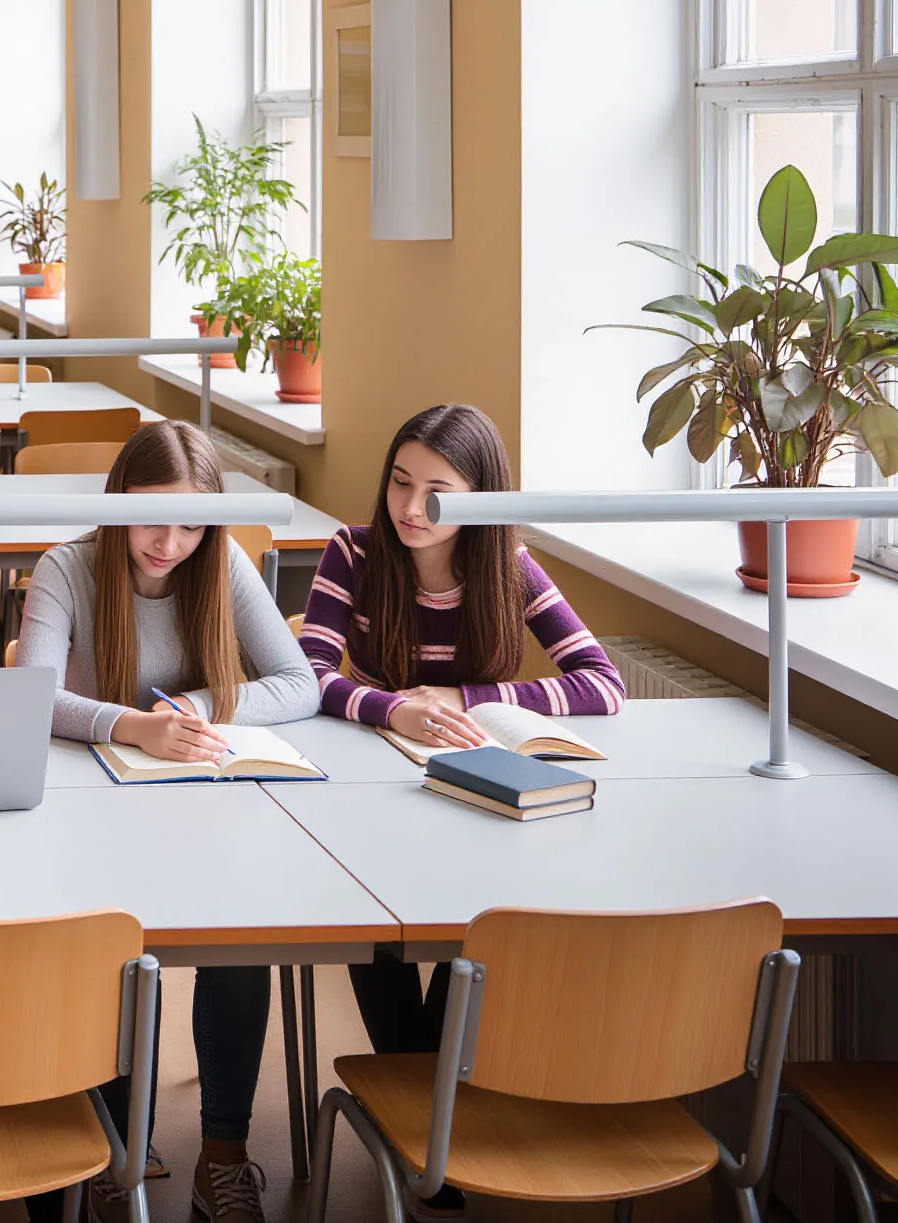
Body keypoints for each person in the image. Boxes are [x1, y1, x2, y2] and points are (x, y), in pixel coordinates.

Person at [302, 400, 623, 1211]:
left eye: (437, 492)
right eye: (400, 483)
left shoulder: (509, 565)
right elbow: (304, 675)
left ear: (480, 497)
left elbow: (602, 681)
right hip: (373, 792)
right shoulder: (356, 550)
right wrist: (391, 708)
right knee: (370, 930)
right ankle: (430, 1121)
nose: (411, 509)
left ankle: (419, 1119)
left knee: (474, 935)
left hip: (479, 795)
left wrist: (467, 695)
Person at [15, 420, 317, 1223]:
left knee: (239, 941)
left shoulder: (221, 562)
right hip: (93, 816)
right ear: (117, 503)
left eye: (191, 524)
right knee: (114, 944)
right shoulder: (68, 569)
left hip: (202, 811)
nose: (169, 542)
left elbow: (302, 682)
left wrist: (204, 705)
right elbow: (33, 694)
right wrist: (130, 723)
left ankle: (223, 1154)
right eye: (152, 519)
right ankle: (120, 1141)